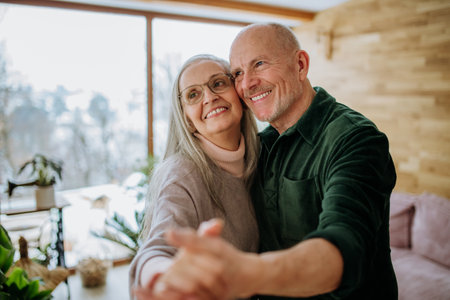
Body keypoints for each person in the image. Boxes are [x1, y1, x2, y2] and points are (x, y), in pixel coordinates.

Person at [149, 23, 398, 300]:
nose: (247, 84)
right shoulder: (260, 147)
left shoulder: (355, 139)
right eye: (238, 73)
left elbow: (345, 245)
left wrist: (248, 274)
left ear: (300, 65)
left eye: (260, 64)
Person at [128, 54, 260, 299]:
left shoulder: (262, 157)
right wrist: (163, 277)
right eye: (193, 94)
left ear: (239, 95)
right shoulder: (182, 172)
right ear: (187, 120)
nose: (209, 97)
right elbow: (157, 249)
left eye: (218, 83)